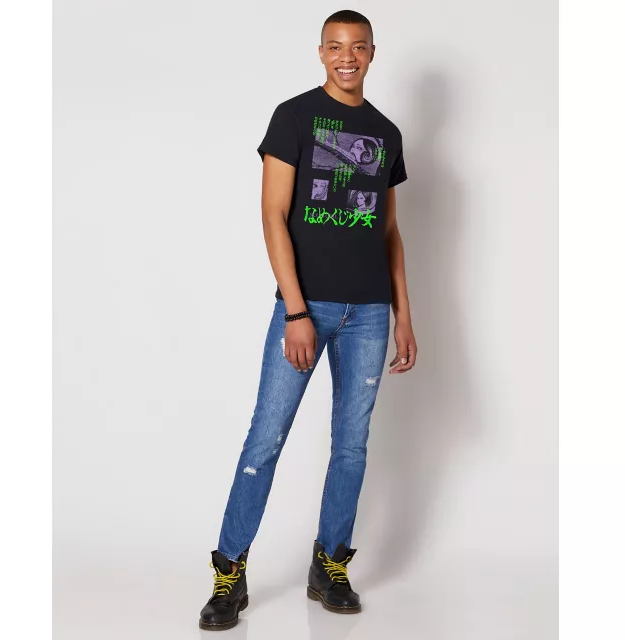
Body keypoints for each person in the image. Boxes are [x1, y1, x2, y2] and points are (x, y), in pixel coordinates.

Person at [199, 9, 417, 631]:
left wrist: (403, 314)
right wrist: (296, 309)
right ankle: (230, 572)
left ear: (372, 53)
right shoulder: (293, 117)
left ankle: (330, 564)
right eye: (336, 46)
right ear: (321, 52)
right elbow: (273, 214)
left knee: (351, 446)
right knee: (265, 439)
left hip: (369, 312)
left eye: (358, 47)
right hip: (308, 307)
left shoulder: (386, 132)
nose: (347, 57)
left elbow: (389, 230)